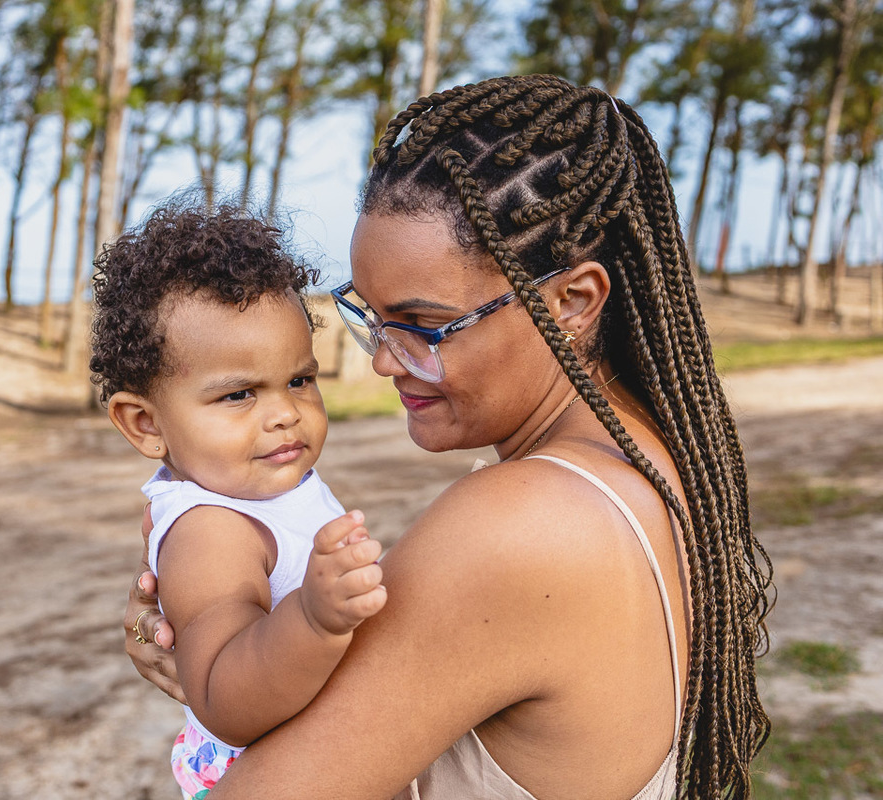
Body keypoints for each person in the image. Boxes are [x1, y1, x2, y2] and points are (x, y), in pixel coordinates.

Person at [123, 75, 773, 800]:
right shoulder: (653, 460)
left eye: (425, 326)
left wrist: (214, 680)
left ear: (572, 302)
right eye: (371, 315)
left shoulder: (521, 523)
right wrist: (228, 646)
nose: (382, 359)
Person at [90, 202, 388, 799]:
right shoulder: (210, 530)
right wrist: (312, 618)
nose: (284, 414)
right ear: (146, 423)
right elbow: (225, 696)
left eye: (300, 380)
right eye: (237, 395)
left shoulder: (265, 488)